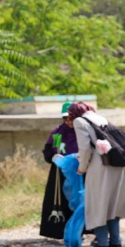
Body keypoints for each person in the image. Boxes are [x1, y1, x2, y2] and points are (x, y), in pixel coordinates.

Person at [69, 101, 125, 247]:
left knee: (97, 204)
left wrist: (82, 167)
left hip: (101, 166)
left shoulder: (79, 121)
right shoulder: (100, 118)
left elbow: (85, 149)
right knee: (113, 204)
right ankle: (115, 240)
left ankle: (102, 242)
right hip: (119, 164)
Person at [39, 101, 78, 239]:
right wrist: (53, 156)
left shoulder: (83, 131)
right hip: (59, 173)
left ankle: (79, 230)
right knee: (59, 200)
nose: (68, 121)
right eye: (65, 118)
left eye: (71, 118)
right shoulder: (57, 132)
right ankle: (57, 231)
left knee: (78, 199)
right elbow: (48, 151)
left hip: (79, 172)